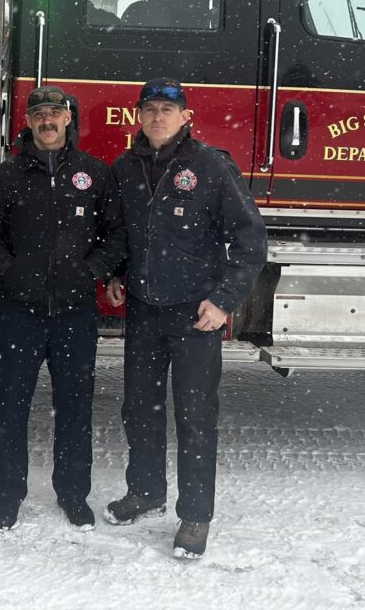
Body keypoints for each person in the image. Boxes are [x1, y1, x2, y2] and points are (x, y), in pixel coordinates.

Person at [104, 77, 266, 559]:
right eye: (150, 109)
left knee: (195, 417)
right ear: (138, 116)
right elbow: (118, 232)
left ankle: (195, 516)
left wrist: (223, 301)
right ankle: (146, 491)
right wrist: (114, 273)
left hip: (196, 316)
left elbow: (250, 240)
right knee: (139, 409)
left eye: (167, 110)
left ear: (185, 117)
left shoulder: (211, 167)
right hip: (144, 311)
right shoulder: (124, 169)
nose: (158, 117)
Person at [0, 84, 126, 532]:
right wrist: (8, 269)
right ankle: (8, 495)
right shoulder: (8, 176)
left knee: (76, 408)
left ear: (68, 119)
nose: (46, 121)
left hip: (74, 314)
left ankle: (73, 494)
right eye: (38, 113)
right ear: (27, 122)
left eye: (55, 113)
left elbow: (115, 236)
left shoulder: (94, 174)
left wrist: (91, 271)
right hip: (20, 312)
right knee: (10, 408)